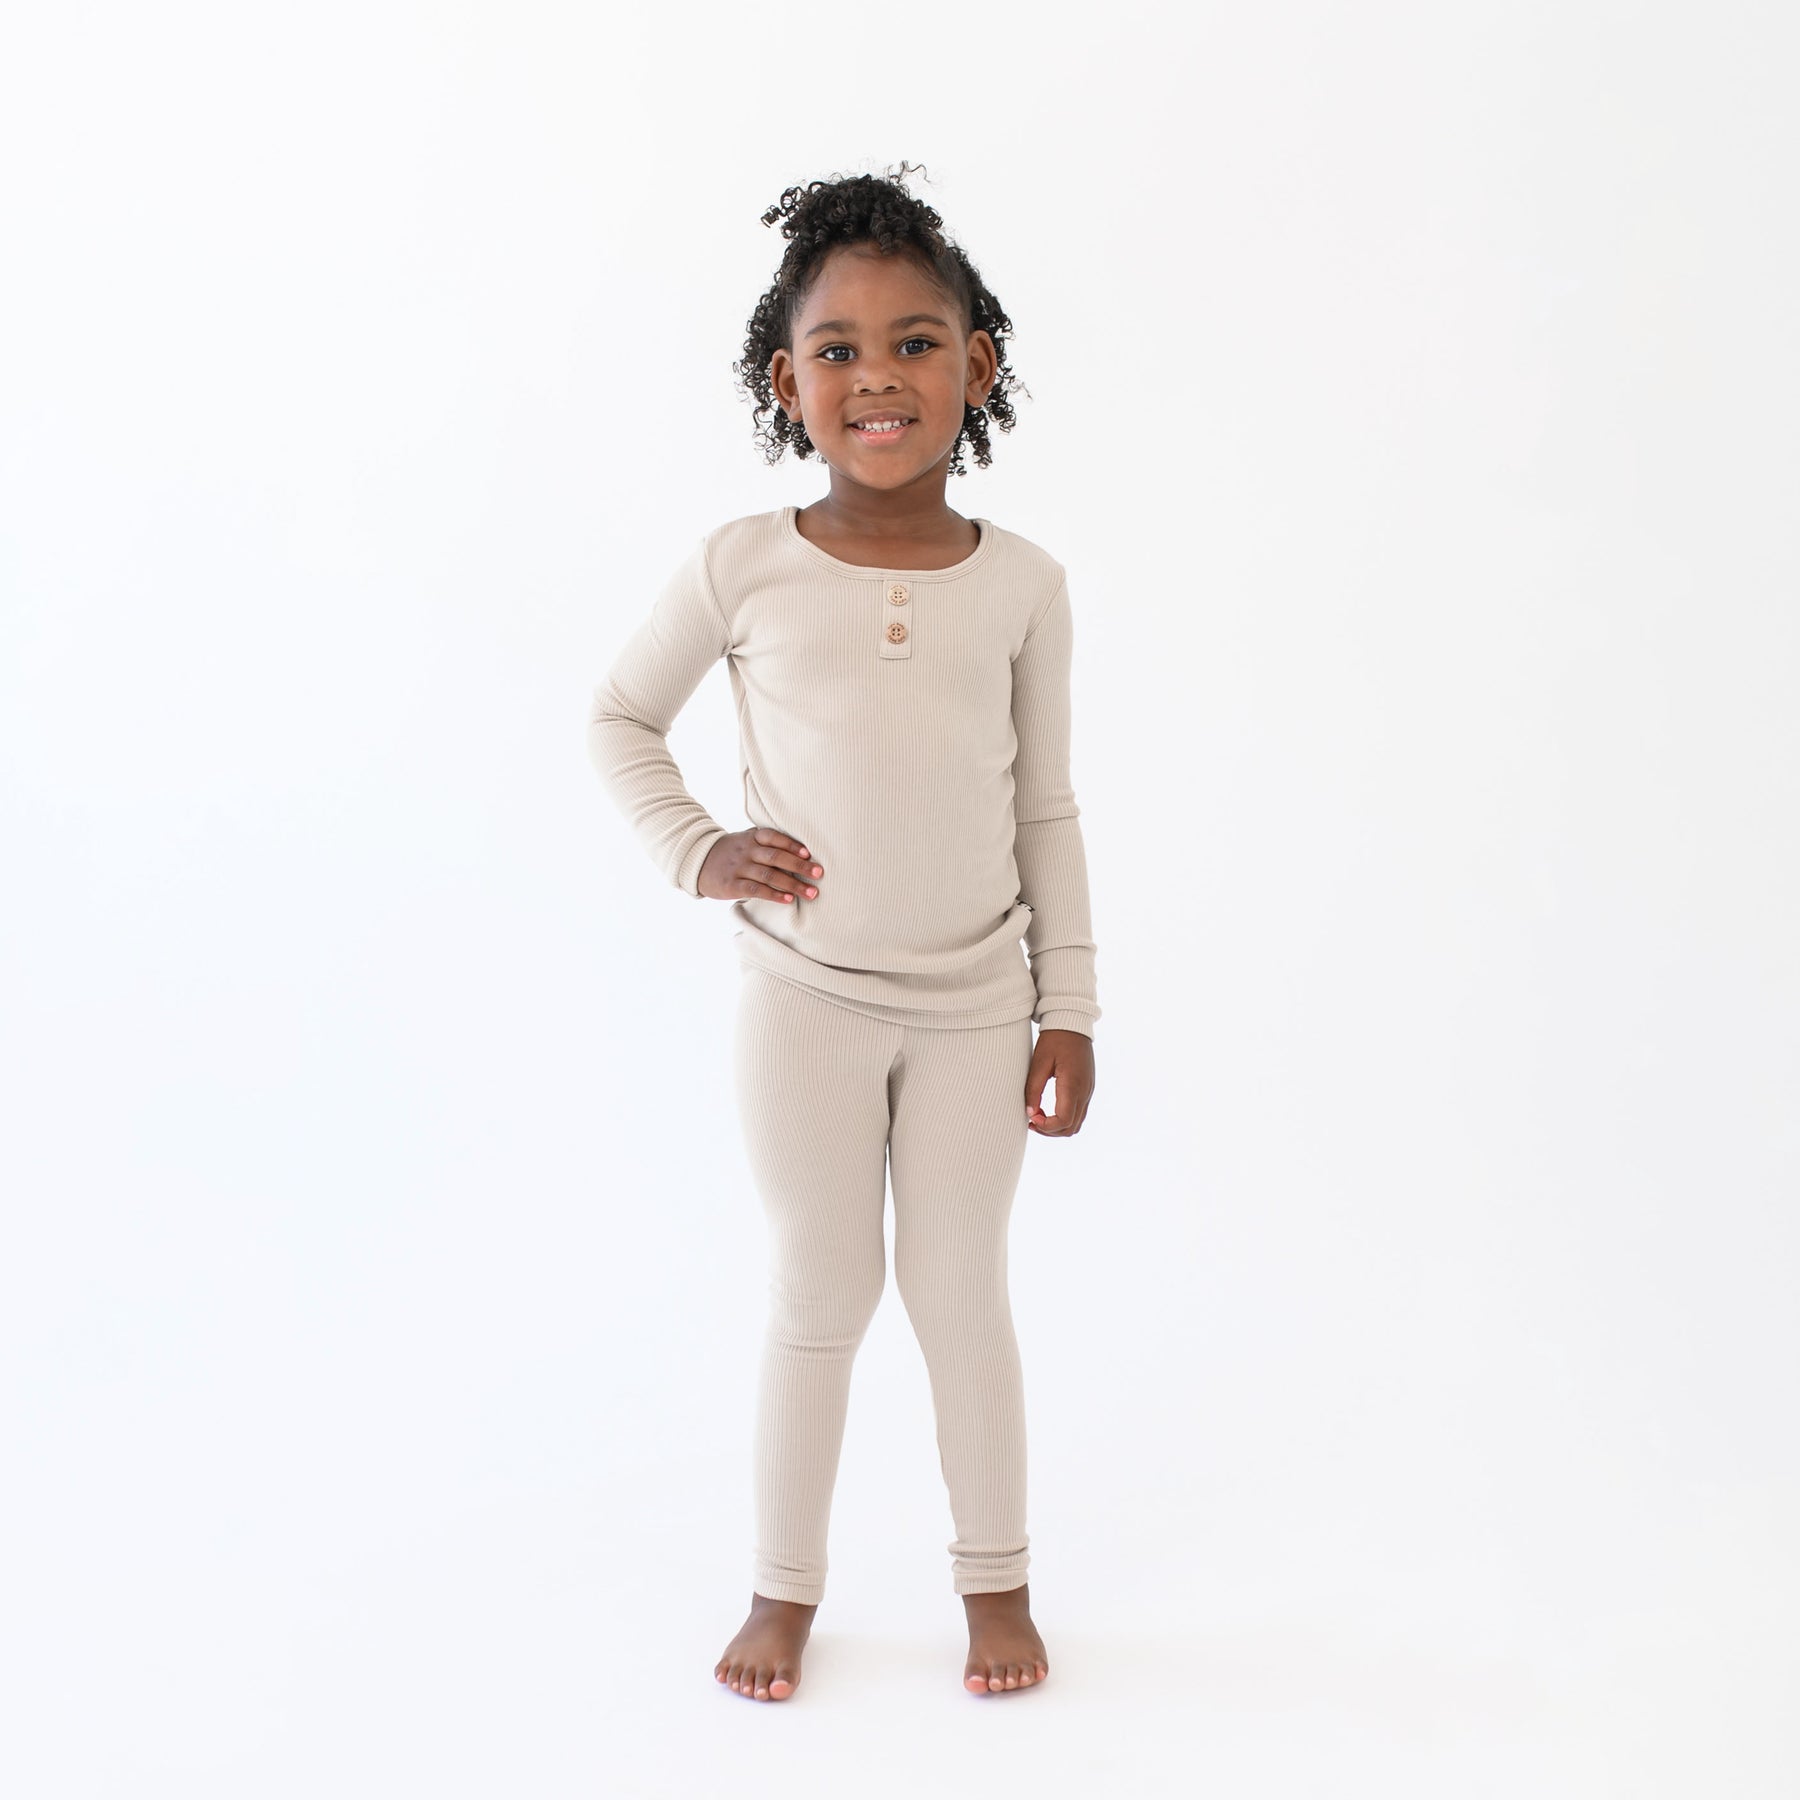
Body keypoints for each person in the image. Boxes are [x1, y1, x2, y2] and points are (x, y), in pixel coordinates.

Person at [586, 164, 1100, 1703]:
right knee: (823, 1294)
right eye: (839, 349)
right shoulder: (741, 566)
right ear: (786, 379)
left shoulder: (1023, 586)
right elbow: (619, 718)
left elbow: (1048, 810)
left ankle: (995, 1584)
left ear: (977, 366)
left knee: (959, 1296)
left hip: (971, 1010)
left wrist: (1065, 1004)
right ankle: (785, 1589)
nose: (879, 376)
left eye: (918, 342)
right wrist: (700, 852)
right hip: (803, 1001)